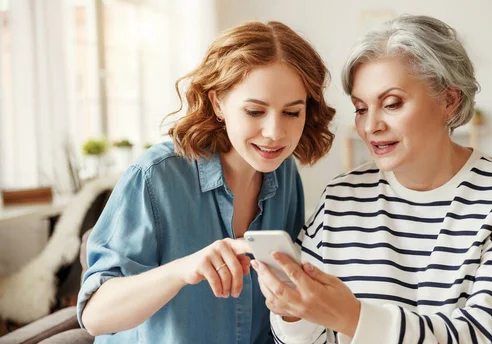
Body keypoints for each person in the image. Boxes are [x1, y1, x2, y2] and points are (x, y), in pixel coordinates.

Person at [253, 14, 492, 343]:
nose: (371, 126)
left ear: (448, 100)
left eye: (392, 103)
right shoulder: (341, 198)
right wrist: (292, 312)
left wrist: (351, 318)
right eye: (360, 108)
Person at [76, 20, 335, 343]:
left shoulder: (285, 176)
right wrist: (183, 270)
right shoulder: (155, 176)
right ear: (218, 103)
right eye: (255, 111)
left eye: (292, 113)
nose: (275, 133)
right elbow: (95, 315)